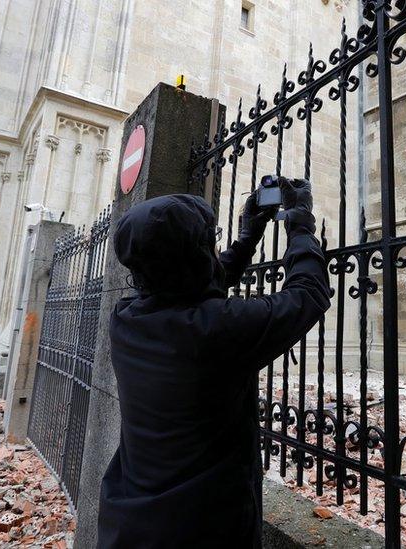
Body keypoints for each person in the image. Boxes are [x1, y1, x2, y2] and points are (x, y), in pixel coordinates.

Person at [97, 178, 331, 548]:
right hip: (202, 528)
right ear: (197, 253)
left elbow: (189, 282)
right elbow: (307, 295)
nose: (215, 246)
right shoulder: (214, 330)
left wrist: (247, 238)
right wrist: (300, 223)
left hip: (131, 520)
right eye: (210, 239)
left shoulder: (126, 319)